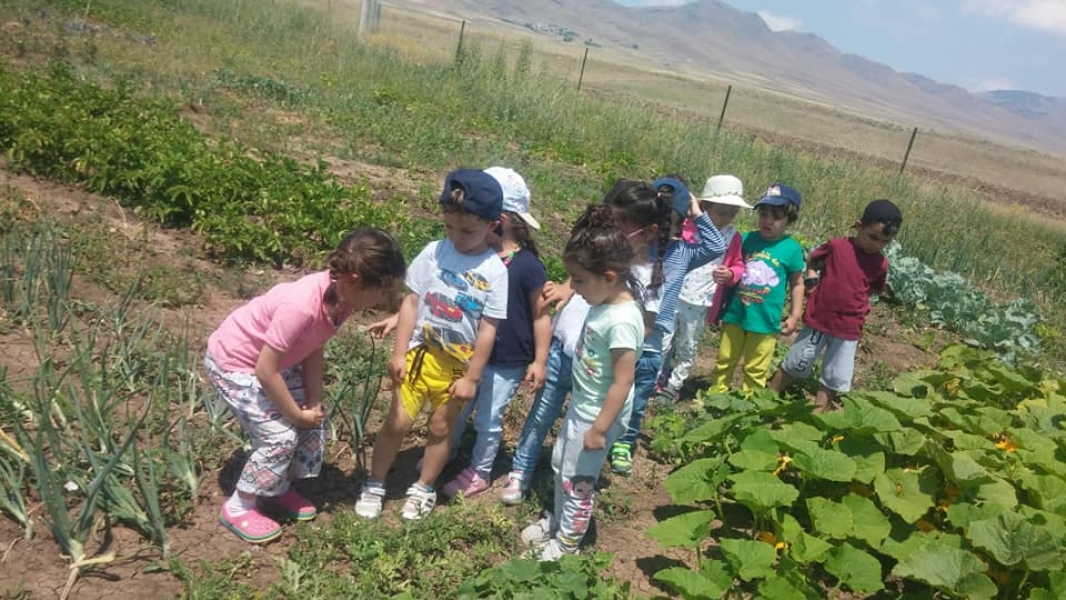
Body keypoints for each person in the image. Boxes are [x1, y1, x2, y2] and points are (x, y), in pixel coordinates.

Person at [205, 228, 406, 544]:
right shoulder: (300, 306)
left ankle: (275, 487)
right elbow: (264, 369)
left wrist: (312, 400)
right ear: (353, 278)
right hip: (236, 364)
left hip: (273, 364)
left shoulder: (342, 299)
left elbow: (314, 348)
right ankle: (240, 505)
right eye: (379, 293)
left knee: (312, 420)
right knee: (280, 435)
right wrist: (294, 415)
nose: (381, 301)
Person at [499, 179, 667, 505]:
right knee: (542, 413)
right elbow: (578, 272)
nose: (610, 237)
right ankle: (522, 469)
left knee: (578, 421)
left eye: (620, 230)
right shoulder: (595, 257)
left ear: (646, 233)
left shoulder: (649, 276)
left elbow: (643, 329)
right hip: (565, 348)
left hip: (596, 365)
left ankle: (573, 479)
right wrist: (565, 287)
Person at [355, 169, 508, 521]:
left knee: (441, 429)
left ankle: (423, 487)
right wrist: (398, 351)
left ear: (493, 225)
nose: (456, 237)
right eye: (449, 227)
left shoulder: (495, 272)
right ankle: (376, 482)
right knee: (397, 422)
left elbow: (488, 330)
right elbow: (410, 303)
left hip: (457, 368)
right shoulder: (433, 253)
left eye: (467, 230)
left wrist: (471, 378)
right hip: (420, 356)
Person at [519, 204, 644, 561]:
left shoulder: (621, 320)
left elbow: (623, 382)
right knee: (562, 464)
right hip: (584, 407)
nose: (572, 287)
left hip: (598, 416)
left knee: (579, 480)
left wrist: (601, 429)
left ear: (608, 276)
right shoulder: (603, 302)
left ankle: (567, 544)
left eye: (578, 280)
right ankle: (558, 521)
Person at [441, 166, 551, 498]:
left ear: (498, 219)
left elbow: (541, 315)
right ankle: (446, 451)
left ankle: (481, 470)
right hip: (472, 353)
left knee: (489, 417)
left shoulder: (527, 265)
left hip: (508, 360)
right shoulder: (481, 259)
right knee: (458, 406)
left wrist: (540, 360)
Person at [610, 176, 726, 475]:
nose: (667, 227)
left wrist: (698, 213)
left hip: (654, 340)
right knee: (612, 386)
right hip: (623, 329)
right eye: (662, 219)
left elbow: (715, 246)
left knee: (638, 394)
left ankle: (625, 441)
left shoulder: (684, 253)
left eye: (673, 220)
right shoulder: (635, 247)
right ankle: (606, 430)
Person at [768, 199, 902, 411]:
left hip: (849, 327)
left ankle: (818, 412)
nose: (876, 244)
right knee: (797, 361)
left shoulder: (880, 263)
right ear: (859, 226)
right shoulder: (837, 246)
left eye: (884, 241)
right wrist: (812, 280)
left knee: (834, 374)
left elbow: (875, 288)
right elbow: (813, 260)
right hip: (819, 318)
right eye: (872, 237)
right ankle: (768, 397)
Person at [656, 174, 749, 403]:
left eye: (732, 214)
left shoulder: (732, 236)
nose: (726, 218)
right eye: (721, 212)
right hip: (673, 293)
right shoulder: (686, 226)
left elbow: (738, 265)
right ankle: (656, 376)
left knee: (688, 343)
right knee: (663, 339)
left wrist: (730, 275)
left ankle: (675, 384)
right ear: (704, 206)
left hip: (701, 301)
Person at [710, 183, 806, 392]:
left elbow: (797, 283)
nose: (767, 221)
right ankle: (715, 397)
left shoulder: (792, 249)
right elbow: (732, 267)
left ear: (790, 220)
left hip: (765, 320)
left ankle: (747, 408)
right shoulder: (746, 239)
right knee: (725, 359)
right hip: (736, 313)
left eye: (776, 217)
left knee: (756, 368)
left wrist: (795, 314)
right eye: (763, 214)